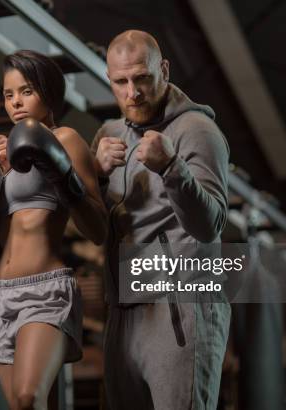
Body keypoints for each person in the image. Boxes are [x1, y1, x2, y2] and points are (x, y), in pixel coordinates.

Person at [0, 50, 107, 410]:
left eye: (26, 91)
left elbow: (99, 230)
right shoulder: (6, 156)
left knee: (28, 399)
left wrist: (65, 179)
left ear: (49, 92)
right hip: (4, 293)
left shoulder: (66, 140)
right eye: (8, 94)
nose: (16, 102)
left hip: (46, 291)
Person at [92, 30, 231, 409]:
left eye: (142, 78)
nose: (132, 92)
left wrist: (172, 166)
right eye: (121, 81)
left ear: (163, 70)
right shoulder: (108, 135)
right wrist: (97, 176)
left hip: (180, 308)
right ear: (110, 80)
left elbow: (210, 225)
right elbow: (92, 228)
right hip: (124, 313)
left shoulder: (198, 131)